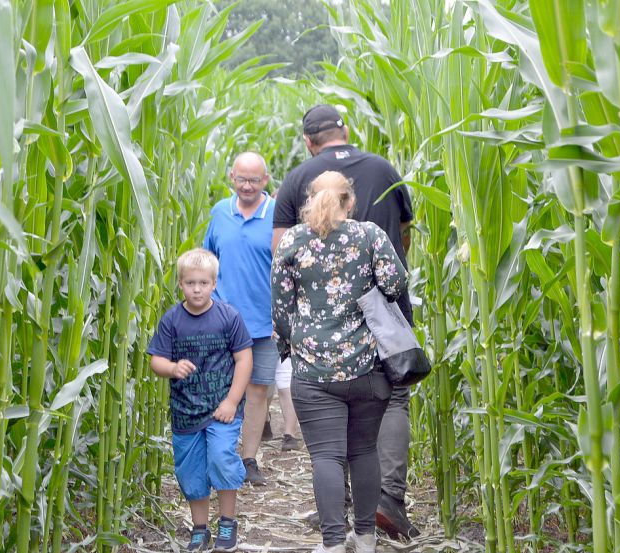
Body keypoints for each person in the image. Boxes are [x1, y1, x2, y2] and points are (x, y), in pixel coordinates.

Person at [271, 104, 419, 539]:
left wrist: (290, 343)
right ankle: (378, 519)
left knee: (327, 457)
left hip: (315, 363)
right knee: (370, 442)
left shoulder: (296, 222)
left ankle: (334, 540)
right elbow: (397, 277)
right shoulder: (372, 225)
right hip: (370, 355)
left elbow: (280, 294)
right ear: (349, 201)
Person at [147, 248, 254, 552]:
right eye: (190, 283)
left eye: (203, 283)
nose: (197, 289)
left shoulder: (228, 316)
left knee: (222, 459)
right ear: (180, 283)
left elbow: (244, 360)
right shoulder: (172, 320)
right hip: (185, 412)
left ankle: (228, 522)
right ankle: (200, 528)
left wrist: (232, 401)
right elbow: (156, 360)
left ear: (214, 283)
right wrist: (172, 368)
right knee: (191, 472)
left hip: (222, 409)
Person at [204, 152, 300, 484]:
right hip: (222, 321)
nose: (247, 186)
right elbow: (208, 260)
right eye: (242, 179)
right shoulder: (219, 212)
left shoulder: (277, 216)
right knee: (223, 389)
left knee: (259, 390)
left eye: (255, 180)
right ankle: (223, 457)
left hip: (264, 322)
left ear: (266, 180)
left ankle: (248, 460)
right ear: (232, 177)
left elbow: (290, 267)